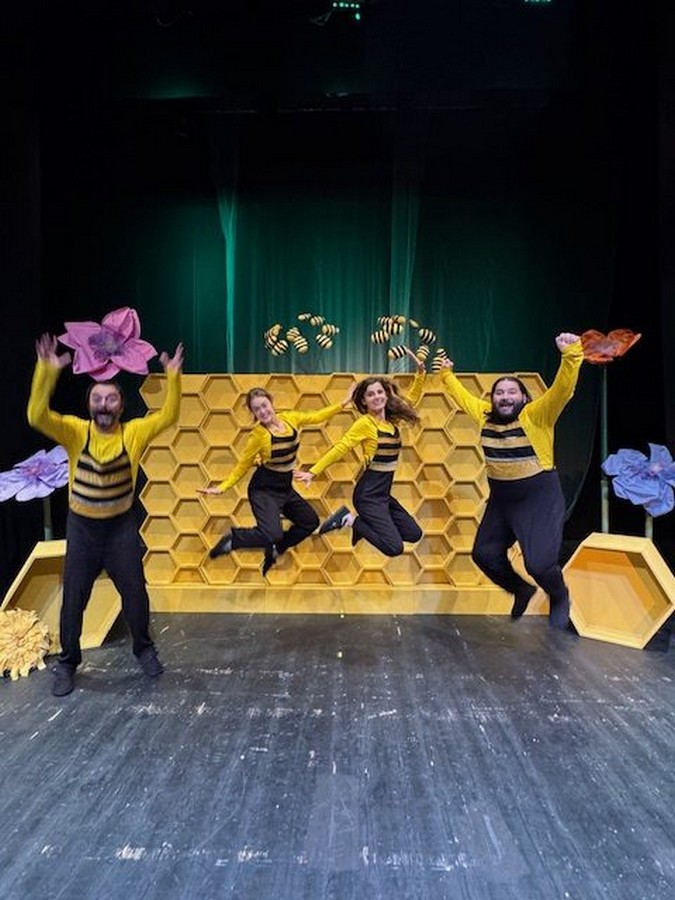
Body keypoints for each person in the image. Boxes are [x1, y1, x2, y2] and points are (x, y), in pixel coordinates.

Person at [27, 333, 184, 696]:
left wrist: (173, 377)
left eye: (110, 398)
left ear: (121, 405)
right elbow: (36, 415)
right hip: (82, 529)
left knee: (135, 594)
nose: (103, 404)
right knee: (73, 600)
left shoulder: (135, 433)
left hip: (120, 529)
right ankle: (68, 663)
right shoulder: (75, 431)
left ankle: (144, 649)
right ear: (89, 405)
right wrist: (46, 371)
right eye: (97, 398)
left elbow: (170, 415)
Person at [440, 332, 584, 629]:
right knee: (484, 554)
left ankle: (559, 595)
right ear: (492, 399)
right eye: (499, 393)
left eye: (511, 392)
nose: (505, 397)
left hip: (538, 498)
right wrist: (446, 374)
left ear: (524, 398)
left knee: (539, 564)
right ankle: (521, 589)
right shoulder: (484, 415)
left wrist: (571, 355)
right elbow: (462, 396)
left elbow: (562, 390)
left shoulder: (537, 416)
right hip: (502, 501)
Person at [200, 384, 355, 575]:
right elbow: (243, 465)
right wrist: (222, 487)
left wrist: (343, 403)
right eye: (257, 409)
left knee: (309, 522)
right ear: (253, 413)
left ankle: (276, 549)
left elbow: (317, 416)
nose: (263, 411)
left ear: (271, 403)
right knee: (272, 533)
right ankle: (234, 540)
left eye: (264, 405)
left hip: (285, 488)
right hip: (263, 489)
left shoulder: (290, 418)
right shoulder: (258, 436)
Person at [295, 350, 425, 557]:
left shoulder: (391, 421)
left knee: (414, 533)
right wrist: (313, 471)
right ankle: (350, 520)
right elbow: (341, 447)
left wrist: (420, 373)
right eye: (371, 394)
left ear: (386, 395)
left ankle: (357, 523)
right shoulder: (365, 423)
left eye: (380, 392)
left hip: (383, 495)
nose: (377, 397)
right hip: (367, 495)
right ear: (364, 401)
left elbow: (411, 401)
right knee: (394, 548)